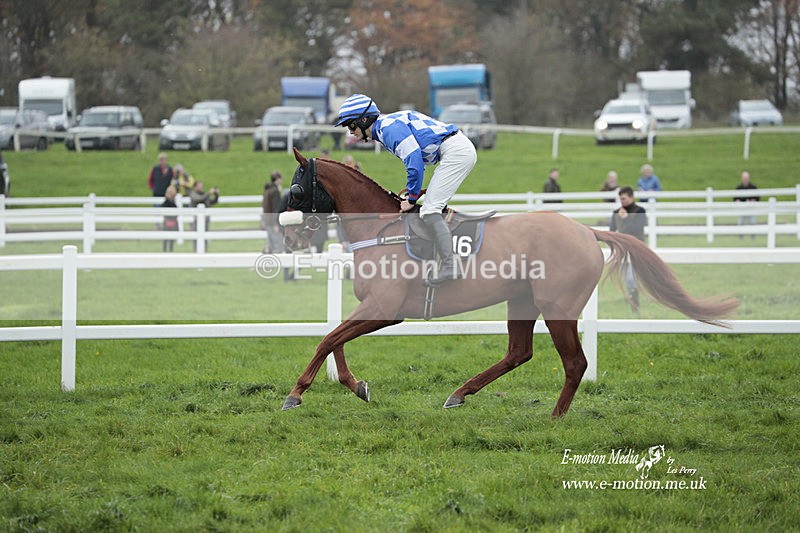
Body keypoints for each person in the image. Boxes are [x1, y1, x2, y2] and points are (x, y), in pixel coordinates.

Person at [334, 93, 477, 286]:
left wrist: (411, 198)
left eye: (351, 125)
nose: (350, 131)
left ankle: (450, 264)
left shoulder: (388, 129)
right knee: (430, 207)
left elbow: (415, 162)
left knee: (429, 210)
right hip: (454, 149)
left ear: (364, 120)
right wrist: (412, 193)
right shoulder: (386, 126)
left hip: (455, 151)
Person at [609, 186, 647, 312]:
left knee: (632, 278)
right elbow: (612, 231)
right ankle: (633, 302)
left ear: (631, 197)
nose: (622, 201)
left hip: (637, 249)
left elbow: (637, 228)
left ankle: (634, 302)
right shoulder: (616, 212)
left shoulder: (640, 211)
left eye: (624, 199)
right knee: (628, 279)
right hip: (623, 250)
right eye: (620, 199)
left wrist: (626, 219)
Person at [190, 181, 219, 251]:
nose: (201, 187)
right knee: (196, 238)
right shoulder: (193, 194)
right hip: (196, 220)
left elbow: (213, 201)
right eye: (199, 185)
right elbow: (199, 199)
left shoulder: (204, 194)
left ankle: (205, 252)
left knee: (205, 237)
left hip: (205, 219)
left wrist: (216, 195)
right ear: (195, 186)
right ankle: (195, 252)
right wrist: (208, 193)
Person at [261, 170, 283, 253]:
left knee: (270, 243)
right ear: (277, 179)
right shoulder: (275, 191)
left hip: (267, 220)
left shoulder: (267, 190)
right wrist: (276, 224)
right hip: (272, 221)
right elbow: (275, 209)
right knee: (278, 244)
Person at [735, 170, 760, 238]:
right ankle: (740, 235)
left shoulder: (753, 187)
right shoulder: (739, 188)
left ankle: (753, 235)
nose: (745, 179)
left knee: (753, 222)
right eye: (744, 178)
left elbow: (757, 198)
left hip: (751, 208)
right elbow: (735, 198)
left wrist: (753, 201)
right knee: (740, 222)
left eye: (746, 178)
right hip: (742, 208)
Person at [161, 185, 178, 252]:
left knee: (171, 237)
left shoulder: (172, 202)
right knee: (166, 237)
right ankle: (165, 250)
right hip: (168, 221)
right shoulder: (167, 202)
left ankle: (170, 250)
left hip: (172, 221)